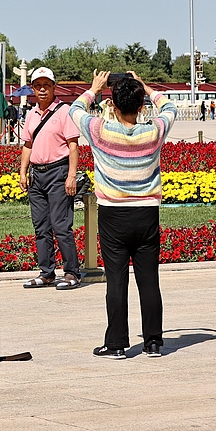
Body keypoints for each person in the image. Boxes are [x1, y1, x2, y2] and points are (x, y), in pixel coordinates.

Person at [70, 70, 177, 359]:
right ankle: (154, 341)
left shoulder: (101, 131)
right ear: (141, 106)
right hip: (146, 214)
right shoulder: (153, 132)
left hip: (113, 214)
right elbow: (170, 108)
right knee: (149, 280)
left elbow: (75, 109)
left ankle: (117, 343)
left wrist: (94, 88)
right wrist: (146, 86)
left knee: (116, 280)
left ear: (113, 105)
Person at [17, 67, 81, 290]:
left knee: (61, 225)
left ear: (54, 87)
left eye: (47, 85)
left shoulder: (64, 111)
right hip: (37, 174)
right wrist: (23, 172)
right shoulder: (31, 114)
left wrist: (71, 175)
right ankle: (47, 273)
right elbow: (28, 145)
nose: (42, 89)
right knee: (41, 227)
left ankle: (72, 272)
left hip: (58, 172)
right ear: (33, 88)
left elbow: (73, 146)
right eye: (38, 85)